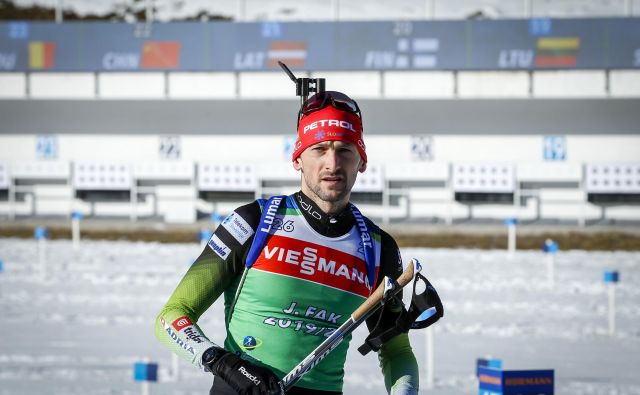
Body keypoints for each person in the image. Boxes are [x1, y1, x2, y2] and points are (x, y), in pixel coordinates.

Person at [155, 90, 420, 394]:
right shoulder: (253, 222)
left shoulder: (379, 247)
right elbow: (172, 316)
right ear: (297, 158)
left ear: (361, 161)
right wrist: (223, 363)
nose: (332, 163)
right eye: (319, 149)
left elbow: (396, 351)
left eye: (345, 150)